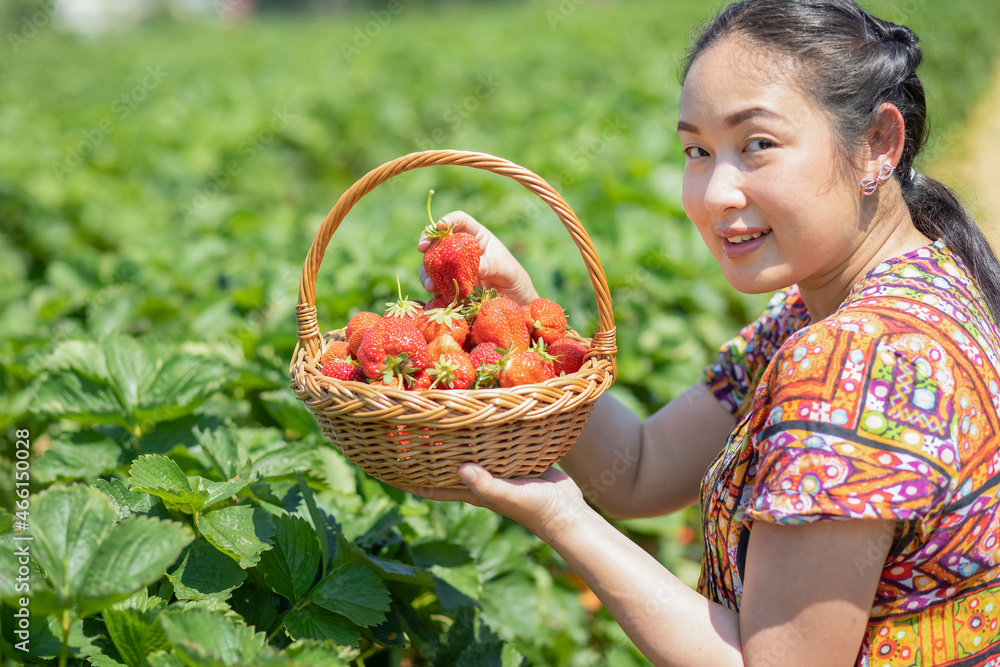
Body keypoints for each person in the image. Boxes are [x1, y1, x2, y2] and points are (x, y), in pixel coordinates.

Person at [407, 0, 1000, 664]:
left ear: (878, 144)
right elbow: (637, 466)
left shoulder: (857, 359)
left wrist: (561, 519)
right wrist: (527, 322)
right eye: (698, 150)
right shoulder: (894, 289)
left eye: (757, 144)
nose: (717, 192)